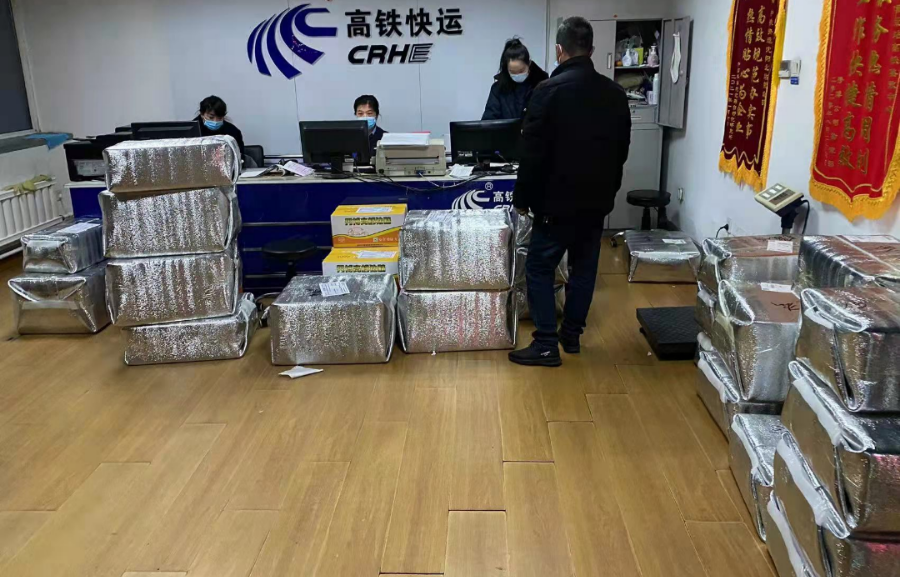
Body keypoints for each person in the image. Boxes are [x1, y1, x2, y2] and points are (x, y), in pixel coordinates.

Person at [509, 17, 632, 368]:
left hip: (555, 204)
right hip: (596, 204)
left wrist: (522, 199)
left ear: (559, 50)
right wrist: (608, 193)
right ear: (591, 50)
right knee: (584, 269)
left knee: (539, 267)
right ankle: (572, 336)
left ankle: (546, 344)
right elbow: (621, 151)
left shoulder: (547, 91)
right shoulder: (615, 94)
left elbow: (531, 155)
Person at [482, 38, 549, 121]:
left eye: (521, 71)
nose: (517, 75)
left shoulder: (542, 85)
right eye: (513, 72)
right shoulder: (498, 89)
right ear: (507, 69)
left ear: (529, 64)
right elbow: (488, 120)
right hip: (505, 130)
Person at [354, 94, 387, 159]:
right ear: (356, 115)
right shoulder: (349, 137)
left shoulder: (385, 138)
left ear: (376, 115)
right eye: (360, 113)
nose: (365, 117)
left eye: (369, 113)